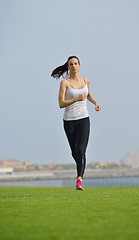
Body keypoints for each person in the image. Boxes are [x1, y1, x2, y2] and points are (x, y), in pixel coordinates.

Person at [51, 56, 101, 190]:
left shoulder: (86, 81)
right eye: (71, 64)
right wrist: (76, 99)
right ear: (68, 67)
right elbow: (61, 104)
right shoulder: (64, 83)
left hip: (84, 119)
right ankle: (81, 164)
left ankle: (79, 179)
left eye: (76, 63)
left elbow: (88, 94)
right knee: (74, 152)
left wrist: (96, 103)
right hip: (69, 122)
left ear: (79, 65)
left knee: (80, 150)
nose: (74, 66)